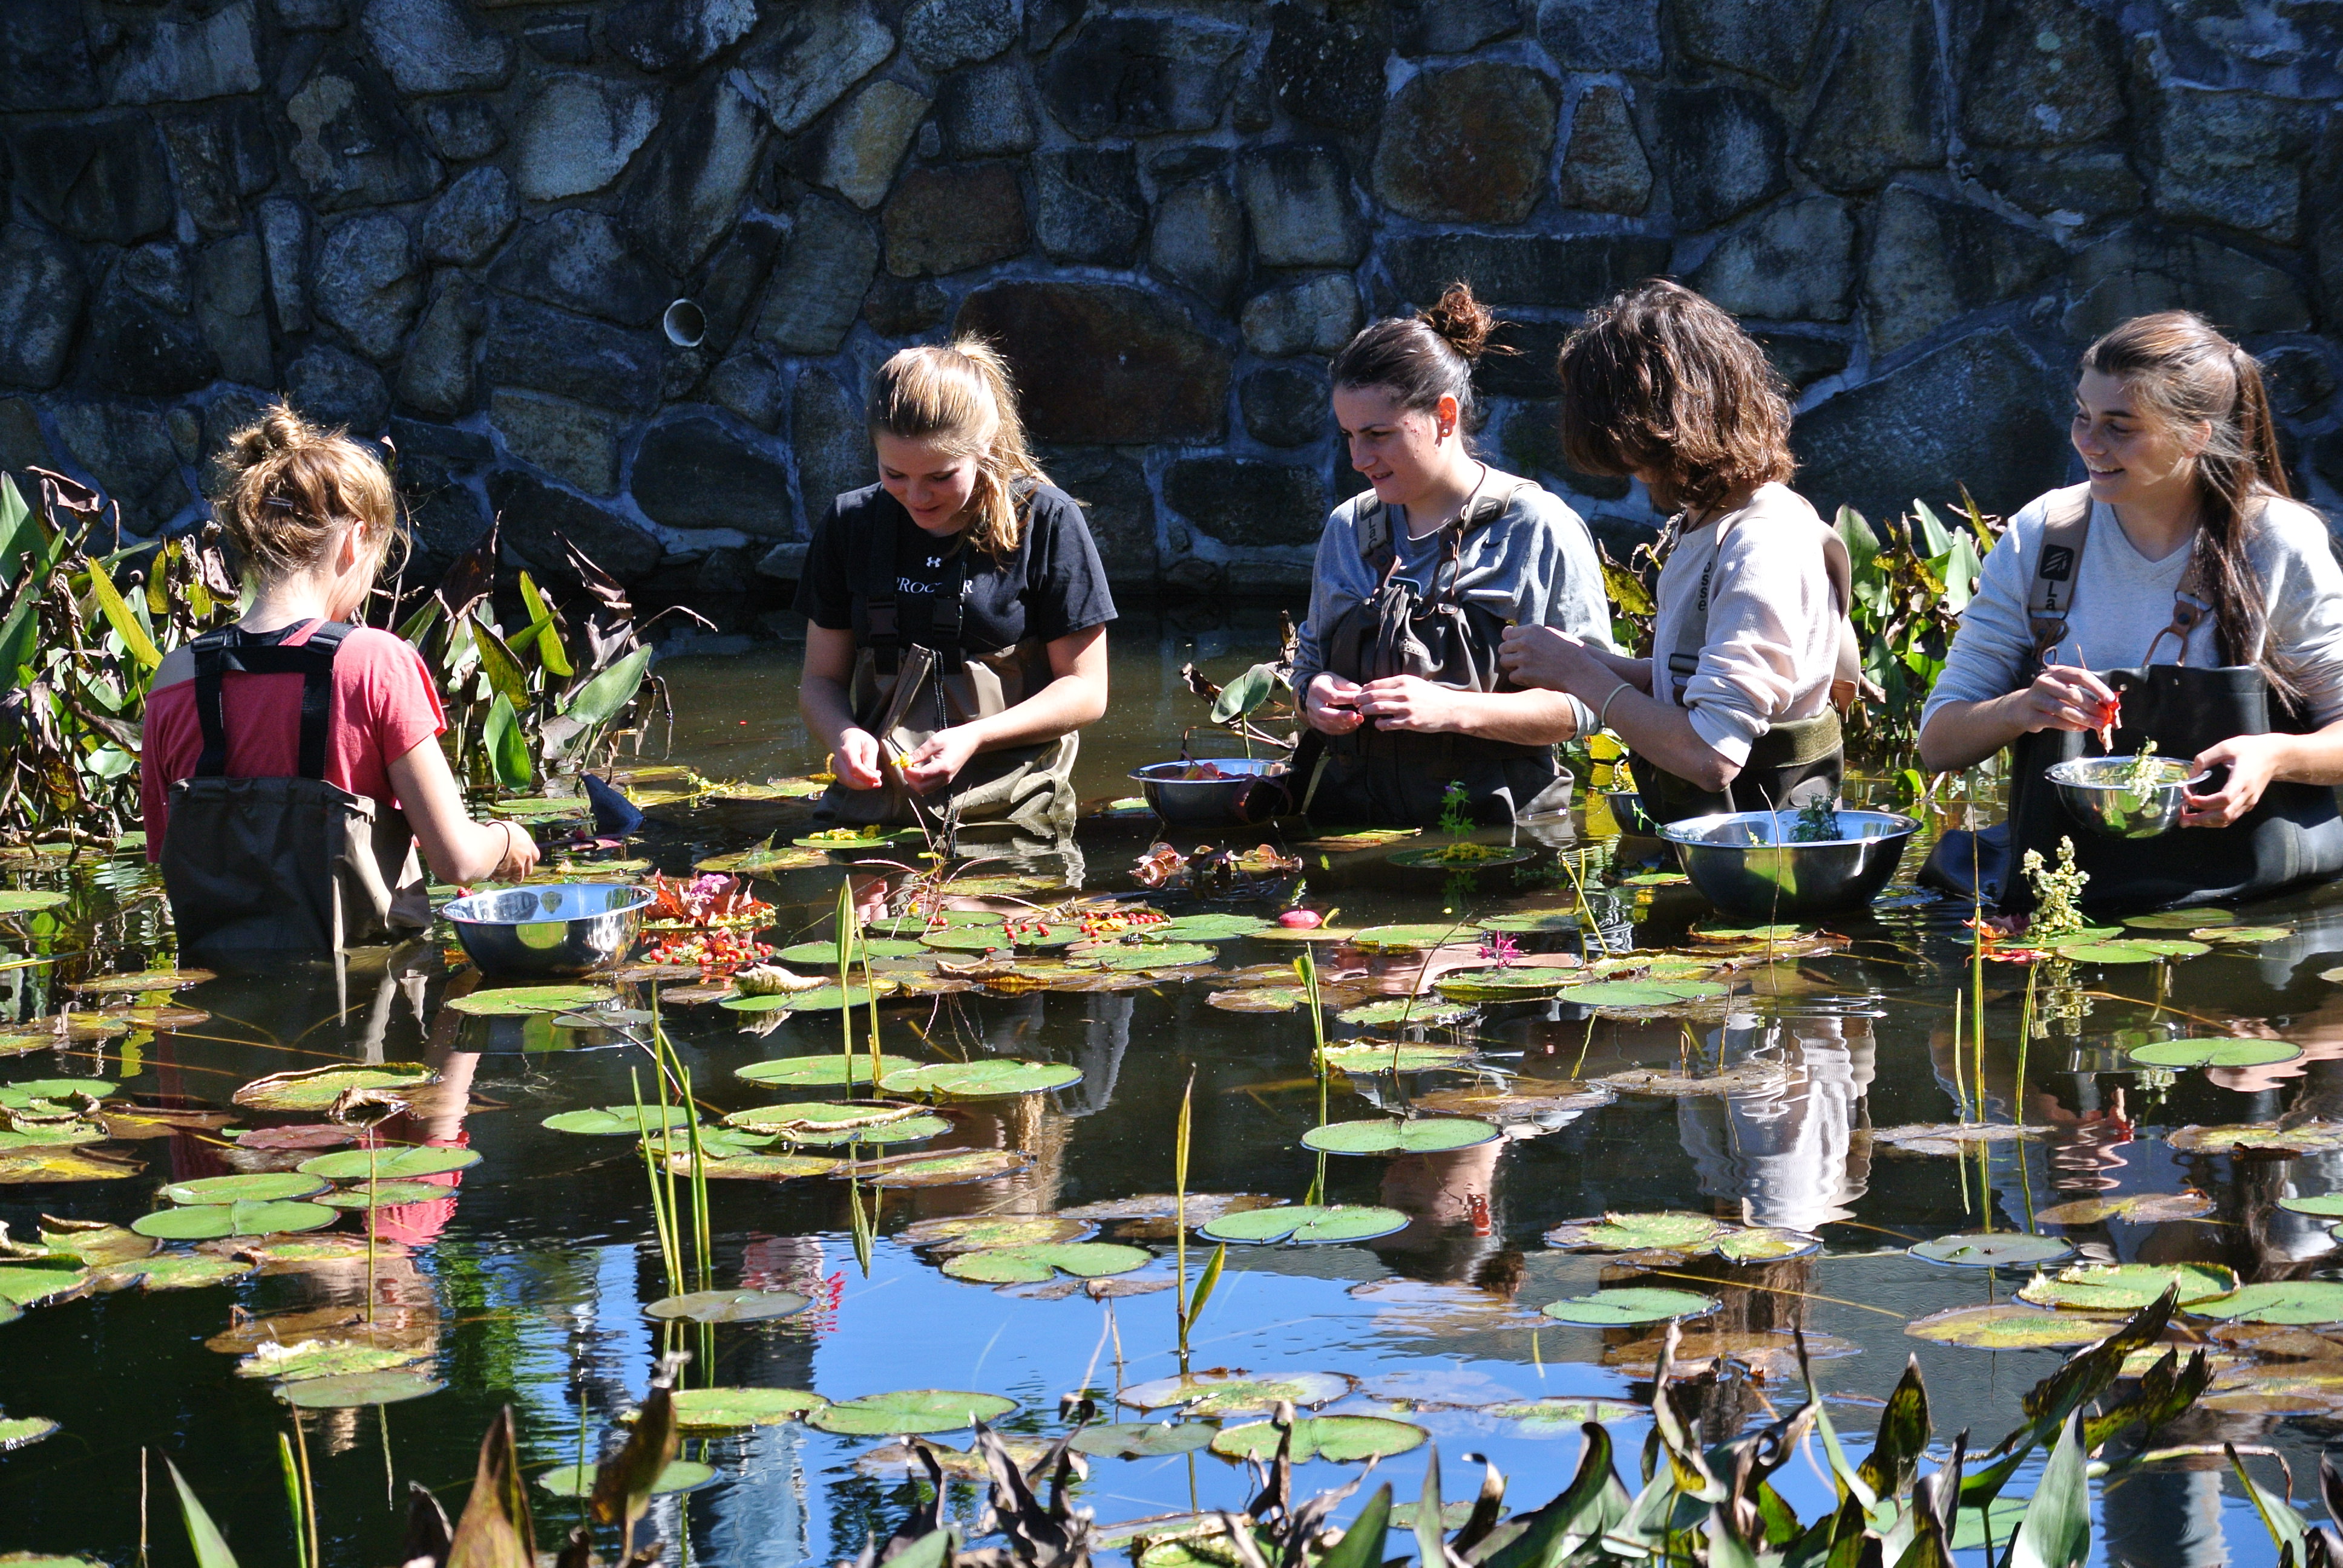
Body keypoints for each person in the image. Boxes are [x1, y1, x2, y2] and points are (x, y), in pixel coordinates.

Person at [1916, 311, 2343, 911]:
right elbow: (1937, 744)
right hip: (2066, 899)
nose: (2088, 443)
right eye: (2081, 416)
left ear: (2195, 434)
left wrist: (2275, 756)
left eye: (2119, 426)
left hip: (2250, 910)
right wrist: (2019, 708)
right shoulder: (2045, 536)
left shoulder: (2274, 541)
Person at [142, 408, 537, 953]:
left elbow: (169, 860)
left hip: (221, 1010)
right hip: (365, 1007)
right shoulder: (376, 662)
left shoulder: (174, 677)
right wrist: (508, 838)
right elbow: (458, 860)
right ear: (355, 540)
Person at [1498, 279, 1861, 825]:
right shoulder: (1719, 518)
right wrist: (1606, 665)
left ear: (1669, 421)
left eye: (1629, 447)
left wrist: (1583, 677)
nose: (1628, 470)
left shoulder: (1761, 544)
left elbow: (1711, 756)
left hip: (1769, 870)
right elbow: (1708, 682)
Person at [1290, 281, 1611, 825]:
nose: (1359, 458)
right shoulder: (1347, 527)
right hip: (1352, 834)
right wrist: (1314, 694)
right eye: (1348, 435)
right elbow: (1308, 666)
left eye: (1378, 434)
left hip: (1501, 843)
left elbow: (1588, 706)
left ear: (1444, 416)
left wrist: (1453, 710)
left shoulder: (1538, 528)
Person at [796, 341, 1113, 837]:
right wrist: (844, 735)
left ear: (984, 446)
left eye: (941, 476)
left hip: (1009, 816)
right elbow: (820, 681)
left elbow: (1087, 692)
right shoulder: (849, 522)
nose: (917, 497)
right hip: (872, 814)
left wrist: (975, 737)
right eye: (894, 474)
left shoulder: (1047, 520)